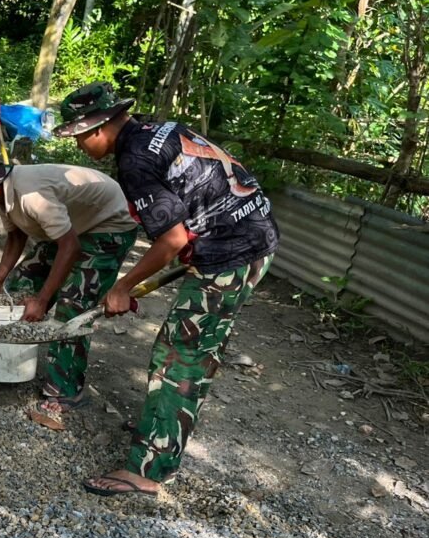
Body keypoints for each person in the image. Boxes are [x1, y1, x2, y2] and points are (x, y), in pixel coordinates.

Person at [54, 82, 279, 497]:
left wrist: (124, 285)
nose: (79, 145)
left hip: (234, 251)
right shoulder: (159, 131)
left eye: (78, 136)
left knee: (179, 355)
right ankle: (161, 430)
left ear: (98, 129)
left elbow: (171, 239)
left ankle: (148, 471)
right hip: (250, 232)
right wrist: (200, 239)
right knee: (192, 349)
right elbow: (198, 192)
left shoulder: (134, 162)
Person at [0, 149, 138, 430]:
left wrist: (43, 300)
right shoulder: (4, 196)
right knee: (20, 286)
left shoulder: (31, 196)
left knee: (73, 307)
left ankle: (66, 393)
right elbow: (16, 236)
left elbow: (70, 248)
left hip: (107, 227)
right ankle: (12, 354)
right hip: (69, 227)